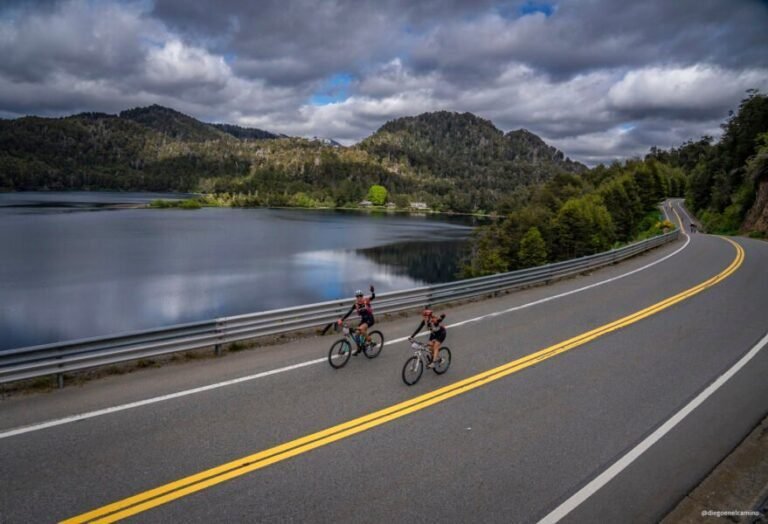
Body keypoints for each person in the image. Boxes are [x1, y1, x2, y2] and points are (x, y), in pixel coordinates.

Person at [338, 285, 375, 354]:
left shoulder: (366, 301)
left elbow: (373, 297)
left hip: (370, 319)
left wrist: (372, 291)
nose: (359, 297)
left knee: (361, 329)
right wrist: (342, 320)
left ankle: (371, 342)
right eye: (357, 296)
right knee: (357, 334)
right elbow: (349, 312)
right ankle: (359, 348)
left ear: (362, 296)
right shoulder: (356, 305)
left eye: (360, 296)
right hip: (363, 320)